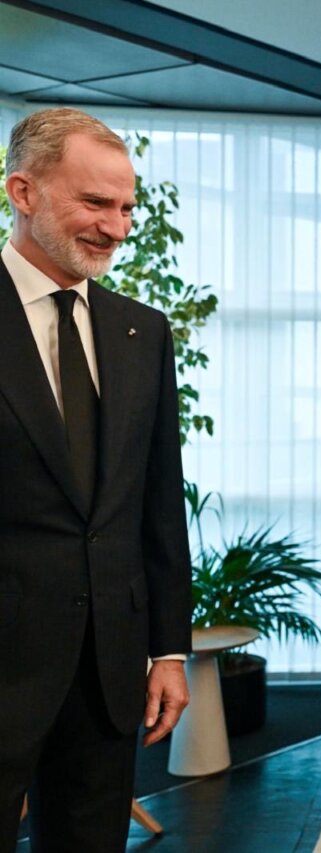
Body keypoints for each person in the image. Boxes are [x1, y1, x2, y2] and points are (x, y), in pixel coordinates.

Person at [0, 108, 191, 850]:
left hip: (109, 676)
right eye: (95, 203)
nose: (117, 227)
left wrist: (168, 648)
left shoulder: (143, 331)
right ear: (23, 191)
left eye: (127, 206)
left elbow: (157, 500)